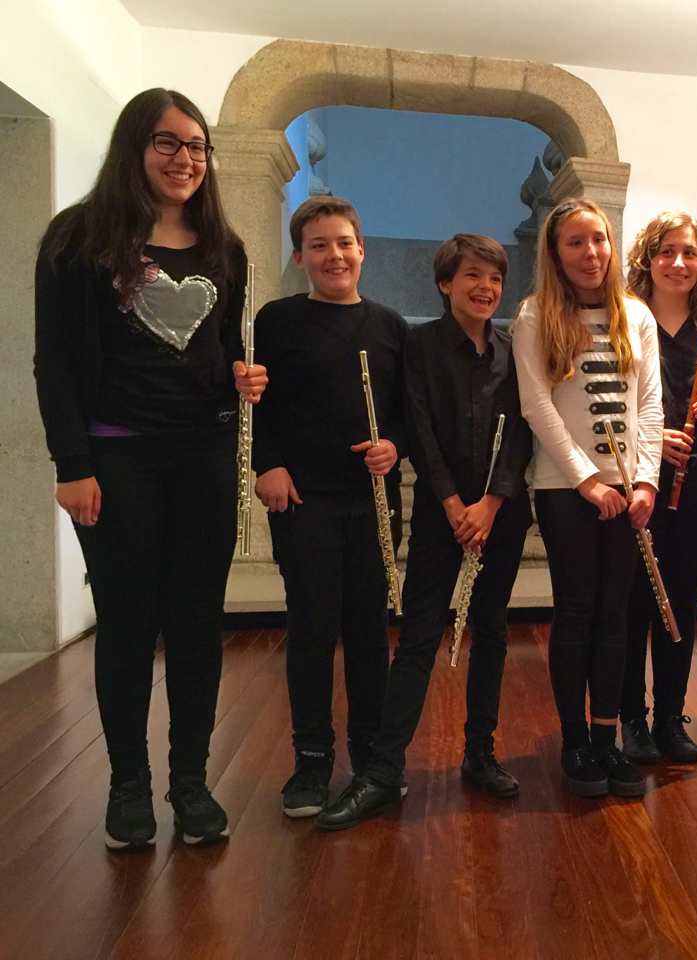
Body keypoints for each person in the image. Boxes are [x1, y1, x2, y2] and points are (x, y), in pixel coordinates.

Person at [34, 88, 251, 849]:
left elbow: (219, 349)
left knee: (197, 624)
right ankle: (128, 788)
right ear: (135, 145)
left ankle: (189, 783)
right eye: (169, 142)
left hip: (203, 453)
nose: (186, 159)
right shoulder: (77, 238)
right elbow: (54, 362)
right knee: (127, 624)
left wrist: (239, 377)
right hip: (116, 454)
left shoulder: (224, 247)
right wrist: (72, 464)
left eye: (197, 147)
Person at [317, 234, 534, 830]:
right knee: (417, 637)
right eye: (472, 276)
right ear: (445, 284)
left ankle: (480, 754)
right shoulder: (418, 345)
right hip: (444, 515)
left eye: (494, 278)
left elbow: (522, 432)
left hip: (500, 513)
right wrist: (453, 503)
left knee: (490, 631)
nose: (485, 287)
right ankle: (384, 772)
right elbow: (418, 426)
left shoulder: (516, 350)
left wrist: (489, 503)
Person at [251, 196, 407, 818]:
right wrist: (267, 464)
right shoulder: (277, 320)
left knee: (370, 630)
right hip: (302, 499)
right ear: (300, 256)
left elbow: (405, 415)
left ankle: (369, 752)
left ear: (362, 249)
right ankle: (312, 761)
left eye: (344, 242)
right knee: (313, 628)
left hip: (372, 501)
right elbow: (252, 403)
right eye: (319, 245)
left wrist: (395, 445)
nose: (334, 255)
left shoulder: (391, 326)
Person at [511, 198, 664, 798]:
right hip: (565, 489)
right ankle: (575, 741)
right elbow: (537, 407)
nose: (591, 253)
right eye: (575, 242)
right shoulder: (533, 315)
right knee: (577, 610)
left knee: (616, 614)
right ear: (555, 252)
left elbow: (650, 403)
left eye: (598, 239)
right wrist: (587, 481)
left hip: (630, 490)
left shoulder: (636, 315)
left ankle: (607, 739)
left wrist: (645, 480)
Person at [618, 212, 697, 766]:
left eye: (689, 253)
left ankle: (671, 716)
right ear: (648, 259)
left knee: (681, 604)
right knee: (634, 603)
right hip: (641, 483)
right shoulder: (624, 324)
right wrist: (649, 438)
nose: (679, 263)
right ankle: (631, 720)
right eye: (667, 252)